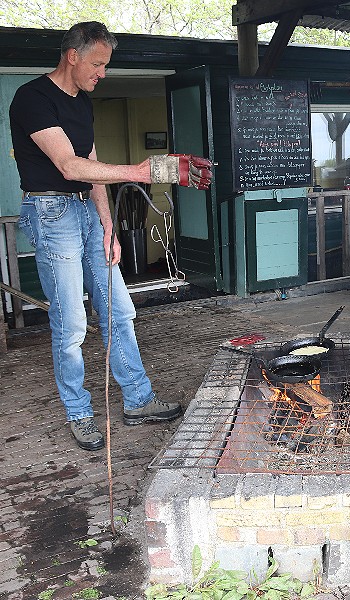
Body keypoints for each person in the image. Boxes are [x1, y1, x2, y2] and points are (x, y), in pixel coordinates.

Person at [9, 21, 213, 451]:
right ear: (73, 56)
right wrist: (139, 171)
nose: (102, 73)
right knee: (71, 324)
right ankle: (79, 413)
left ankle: (138, 400)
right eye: (98, 64)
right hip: (51, 213)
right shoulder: (32, 98)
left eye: (106, 65)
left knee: (120, 311)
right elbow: (70, 166)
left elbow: (92, 163)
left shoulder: (82, 102)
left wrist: (108, 225)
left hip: (86, 211)